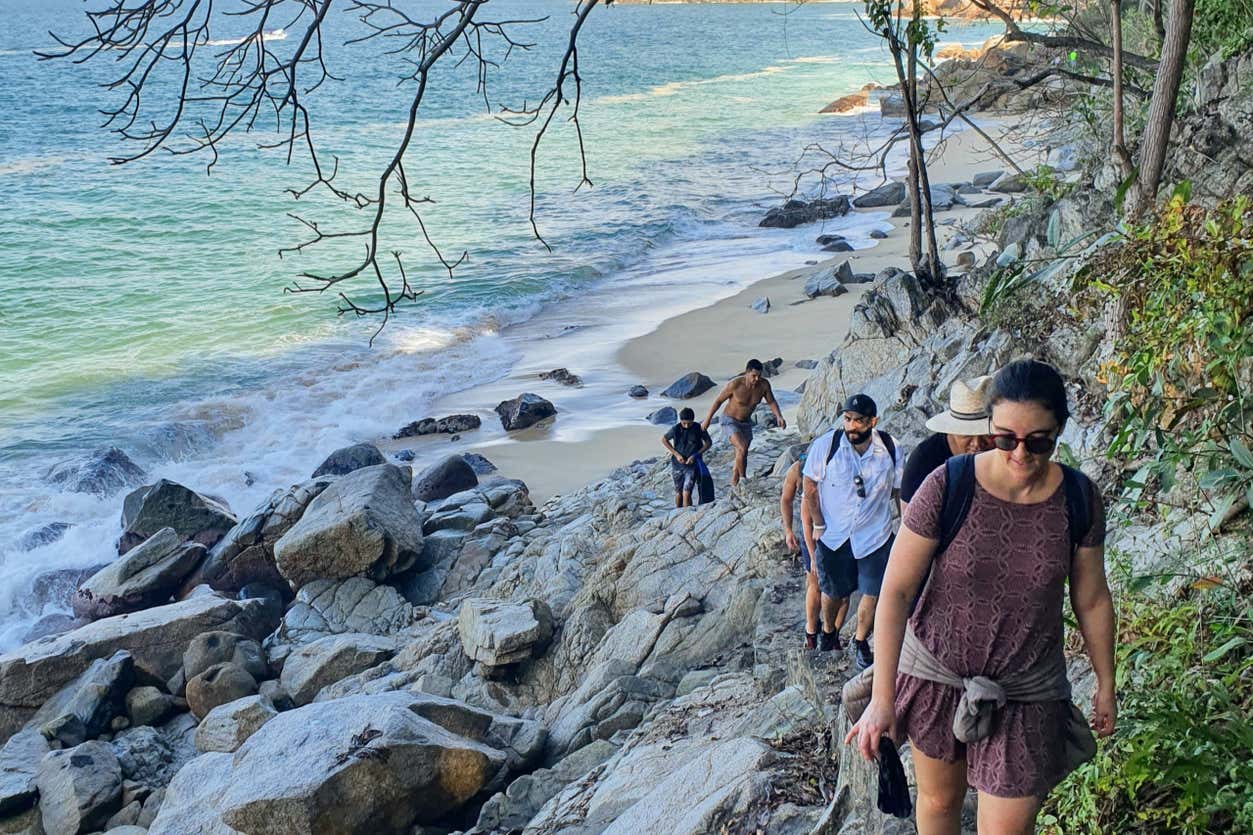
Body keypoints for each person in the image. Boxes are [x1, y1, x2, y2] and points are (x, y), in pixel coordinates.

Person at [847, 359, 1116, 834]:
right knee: (937, 803)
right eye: (1005, 438)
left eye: (1038, 441)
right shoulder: (948, 485)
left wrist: (1105, 681)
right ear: (990, 427)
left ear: (1059, 433)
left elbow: (1091, 599)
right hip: (936, 675)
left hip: (1027, 691)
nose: (1019, 453)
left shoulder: (1079, 498)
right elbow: (897, 591)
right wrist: (883, 698)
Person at [802, 394, 902, 668]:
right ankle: (828, 632)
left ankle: (859, 641)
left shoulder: (891, 448)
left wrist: (906, 530)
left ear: (873, 421)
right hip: (834, 536)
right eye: (847, 419)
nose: (852, 426)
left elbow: (899, 492)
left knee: (872, 592)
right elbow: (809, 485)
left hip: (875, 536)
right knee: (833, 592)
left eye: (859, 421)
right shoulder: (827, 446)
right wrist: (818, 523)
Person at [781, 445, 846, 649]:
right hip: (813, 532)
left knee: (843, 591)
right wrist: (789, 530)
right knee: (815, 583)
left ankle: (833, 634)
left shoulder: (839, 473)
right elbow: (790, 504)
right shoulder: (798, 473)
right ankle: (811, 632)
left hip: (838, 531)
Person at [900, 376, 995, 514]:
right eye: (967, 434)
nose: (977, 443)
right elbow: (909, 522)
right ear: (952, 430)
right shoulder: (923, 462)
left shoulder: (1010, 443)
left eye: (987, 433)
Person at [702, 359, 786, 487]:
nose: (756, 379)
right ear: (747, 373)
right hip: (729, 420)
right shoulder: (735, 384)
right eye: (753, 376)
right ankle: (743, 479)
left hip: (746, 423)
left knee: (743, 453)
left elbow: (771, 402)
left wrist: (779, 417)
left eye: (759, 376)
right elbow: (718, 401)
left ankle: (735, 483)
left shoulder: (764, 385)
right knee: (741, 447)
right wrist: (707, 420)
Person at [661, 407, 712, 508]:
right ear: (680, 421)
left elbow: (708, 443)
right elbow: (664, 439)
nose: (687, 425)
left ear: (693, 420)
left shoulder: (699, 428)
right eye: (684, 423)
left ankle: (686, 514)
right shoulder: (675, 429)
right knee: (678, 492)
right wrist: (676, 454)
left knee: (687, 492)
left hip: (693, 465)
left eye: (689, 423)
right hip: (677, 464)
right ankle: (678, 512)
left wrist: (696, 455)